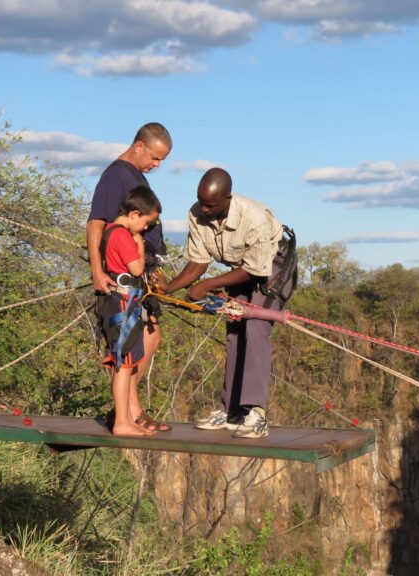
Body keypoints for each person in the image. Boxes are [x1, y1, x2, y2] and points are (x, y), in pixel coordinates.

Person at [153, 167, 291, 439]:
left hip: (272, 267)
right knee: (235, 329)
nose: (203, 209)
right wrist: (169, 287)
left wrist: (206, 286)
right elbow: (198, 262)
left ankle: (256, 414)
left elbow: (255, 269)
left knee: (255, 326)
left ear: (227, 198)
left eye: (210, 204)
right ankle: (231, 411)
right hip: (238, 268)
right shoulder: (197, 213)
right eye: (201, 202)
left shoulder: (253, 218)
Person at [87, 122, 171, 431]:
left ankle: (131, 410)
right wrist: (97, 269)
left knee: (149, 337)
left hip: (143, 271)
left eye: (162, 160)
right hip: (123, 276)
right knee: (136, 340)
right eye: (155, 157)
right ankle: (129, 413)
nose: (157, 165)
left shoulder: (136, 176)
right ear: (138, 146)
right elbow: (96, 222)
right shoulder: (117, 174)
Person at [98, 186, 163, 436]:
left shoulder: (110, 231)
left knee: (127, 362)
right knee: (123, 364)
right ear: (135, 214)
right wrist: (139, 245)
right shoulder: (122, 235)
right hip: (123, 304)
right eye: (146, 222)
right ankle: (122, 422)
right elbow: (136, 269)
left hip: (124, 303)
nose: (146, 228)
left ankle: (125, 419)